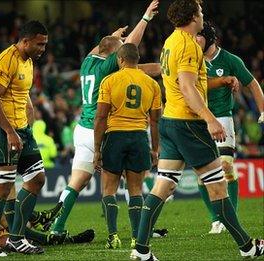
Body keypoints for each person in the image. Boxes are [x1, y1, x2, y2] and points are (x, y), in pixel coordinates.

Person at [131, 1, 264, 260]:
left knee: (163, 187)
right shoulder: (190, 44)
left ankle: (142, 250)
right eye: (200, 12)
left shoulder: (171, 40)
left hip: (170, 121)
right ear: (193, 16)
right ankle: (248, 246)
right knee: (218, 187)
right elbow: (188, 87)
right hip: (188, 124)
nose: (203, 16)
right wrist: (210, 119)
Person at [51, 0, 161, 237]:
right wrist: (145, 18)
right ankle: (142, 229)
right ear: (114, 54)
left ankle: (57, 226)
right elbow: (131, 48)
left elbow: (102, 48)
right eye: (118, 49)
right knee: (132, 178)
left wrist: (112, 37)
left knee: (76, 183)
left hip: (82, 129)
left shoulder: (87, 62)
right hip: (101, 130)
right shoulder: (109, 68)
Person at [0, 20, 48, 257]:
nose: (42, 49)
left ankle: (17, 238)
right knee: (2, 187)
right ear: (25, 41)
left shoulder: (28, 62)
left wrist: (28, 120)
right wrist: (10, 131)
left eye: (45, 45)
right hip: (0, 130)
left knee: (37, 178)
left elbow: (21, 93)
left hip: (22, 130)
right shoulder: (6, 60)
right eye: (39, 44)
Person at [195, 21, 264, 234]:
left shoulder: (230, 60)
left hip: (223, 118)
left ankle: (229, 217)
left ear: (209, 38)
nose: (194, 40)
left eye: (198, 36)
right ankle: (215, 218)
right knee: (202, 174)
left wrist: (263, 110)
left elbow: (252, 83)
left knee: (225, 167)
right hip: (198, 120)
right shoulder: (192, 60)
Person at [93, 43, 162, 250]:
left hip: (115, 137)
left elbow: (101, 116)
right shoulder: (152, 84)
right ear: (137, 59)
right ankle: (135, 237)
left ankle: (113, 236)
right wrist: (155, 149)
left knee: (108, 189)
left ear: (120, 60)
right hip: (139, 138)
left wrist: (97, 149)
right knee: (135, 191)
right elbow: (155, 121)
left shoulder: (109, 81)